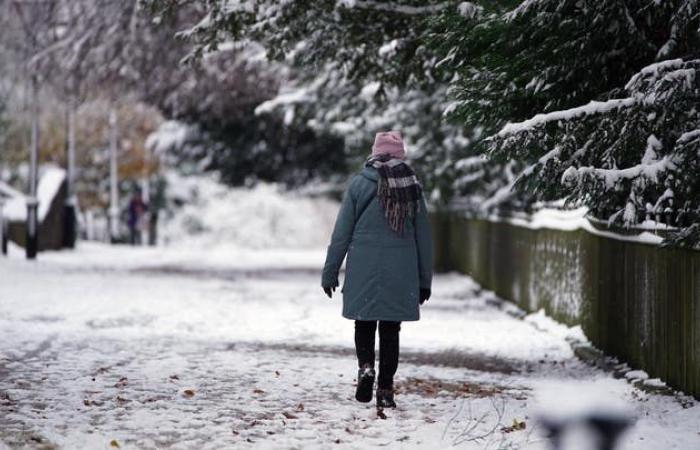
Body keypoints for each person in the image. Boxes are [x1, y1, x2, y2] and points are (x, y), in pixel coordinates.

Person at [321, 130, 433, 409]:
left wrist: (330, 271)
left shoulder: (359, 184)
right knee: (391, 329)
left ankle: (366, 368)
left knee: (364, 321)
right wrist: (424, 280)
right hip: (401, 267)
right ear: (400, 154)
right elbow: (423, 237)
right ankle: (385, 388)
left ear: (374, 153)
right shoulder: (411, 186)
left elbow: (341, 233)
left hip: (363, 264)